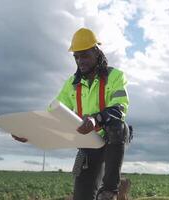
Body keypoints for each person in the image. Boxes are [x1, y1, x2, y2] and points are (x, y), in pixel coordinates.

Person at [12, 28, 130, 200]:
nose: (80, 61)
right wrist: (30, 133)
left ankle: (110, 191)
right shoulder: (72, 84)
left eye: (85, 55)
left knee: (119, 126)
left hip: (111, 141)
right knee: (81, 196)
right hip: (88, 144)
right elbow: (53, 114)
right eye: (76, 57)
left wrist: (95, 119)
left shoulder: (115, 76)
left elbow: (120, 108)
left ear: (96, 52)